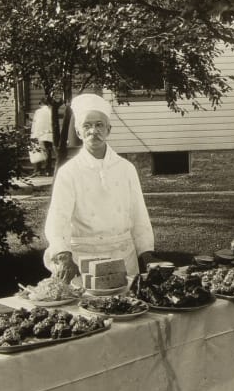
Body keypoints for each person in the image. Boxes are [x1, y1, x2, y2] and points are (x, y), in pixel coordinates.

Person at [43, 93, 155, 284]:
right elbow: (58, 218)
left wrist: (146, 252)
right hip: (83, 260)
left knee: (126, 300)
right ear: (78, 132)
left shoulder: (126, 168)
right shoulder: (69, 172)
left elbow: (139, 215)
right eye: (86, 126)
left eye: (99, 125)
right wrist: (63, 255)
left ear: (109, 129)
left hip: (123, 257)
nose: (93, 131)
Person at [29, 94, 56, 176]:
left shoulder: (38, 112)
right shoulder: (51, 111)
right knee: (48, 151)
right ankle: (48, 171)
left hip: (39, 133)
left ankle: (37, 170)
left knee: (38, 151)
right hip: (49, 134)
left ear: (41, 103)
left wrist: (33, 135)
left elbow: (34, 124)